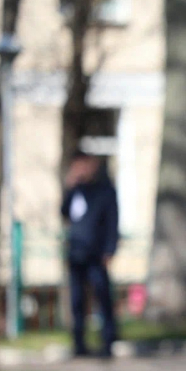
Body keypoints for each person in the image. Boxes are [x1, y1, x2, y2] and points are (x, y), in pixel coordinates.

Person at [60, 151, 119, 358]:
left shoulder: (105, 190)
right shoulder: (76, 190)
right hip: (76, 254)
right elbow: (64, 212)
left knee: (102, 297)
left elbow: (113, 222)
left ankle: (108, 340)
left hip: (96, 254)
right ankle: (79, 343)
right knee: (77, 300)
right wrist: (70, 186)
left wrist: (110, 250)